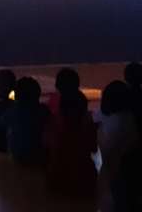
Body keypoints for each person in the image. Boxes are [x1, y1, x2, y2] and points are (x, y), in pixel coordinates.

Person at [44, 69, 97, 197]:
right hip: (85, 180)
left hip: (58, 179)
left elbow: (46, 145)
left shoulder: (55, 125)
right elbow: (93, 148)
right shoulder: (87, 125)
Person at [1, 76, 50, 164]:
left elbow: (2, 123)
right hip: (38, 153)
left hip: (18, 154)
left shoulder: (12, 111)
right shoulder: (43, 110)